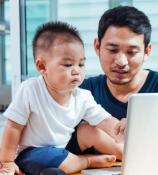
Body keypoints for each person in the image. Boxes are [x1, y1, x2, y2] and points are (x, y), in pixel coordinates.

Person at [0, 21, 125, 175]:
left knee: (90, 130)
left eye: (81, 64)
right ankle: (87, 161)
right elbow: (13, 127)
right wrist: (7, 161)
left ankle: (125, 153)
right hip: (32, 154)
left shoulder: (83, 96)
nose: (76, 71)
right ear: (42, 67)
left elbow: (105, 120)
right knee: (57, 163)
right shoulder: (30, 90)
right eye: (67, 65)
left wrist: (121, 128)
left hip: (62, 151)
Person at [67, 5, 158, 155]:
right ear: (97, 46)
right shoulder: (81, 93)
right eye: (112, 50)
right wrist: (89, 135)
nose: (121, 61)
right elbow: (50, 149)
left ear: (147, 51)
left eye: (131, 52)